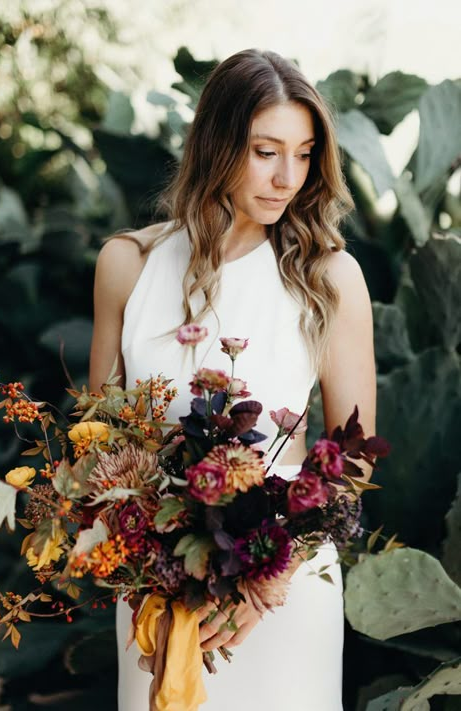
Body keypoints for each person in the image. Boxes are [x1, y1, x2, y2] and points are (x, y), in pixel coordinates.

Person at [89, 48, 376, 711]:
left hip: (286, 596)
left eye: (304, 154)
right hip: (157, 594)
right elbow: (97, 446)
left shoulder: (329, 279)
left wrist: (264, 588)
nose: (287, 177)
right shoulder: (127, 265)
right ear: (217, 143)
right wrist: (144, 570)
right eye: (265, 150)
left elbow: (350, 462)